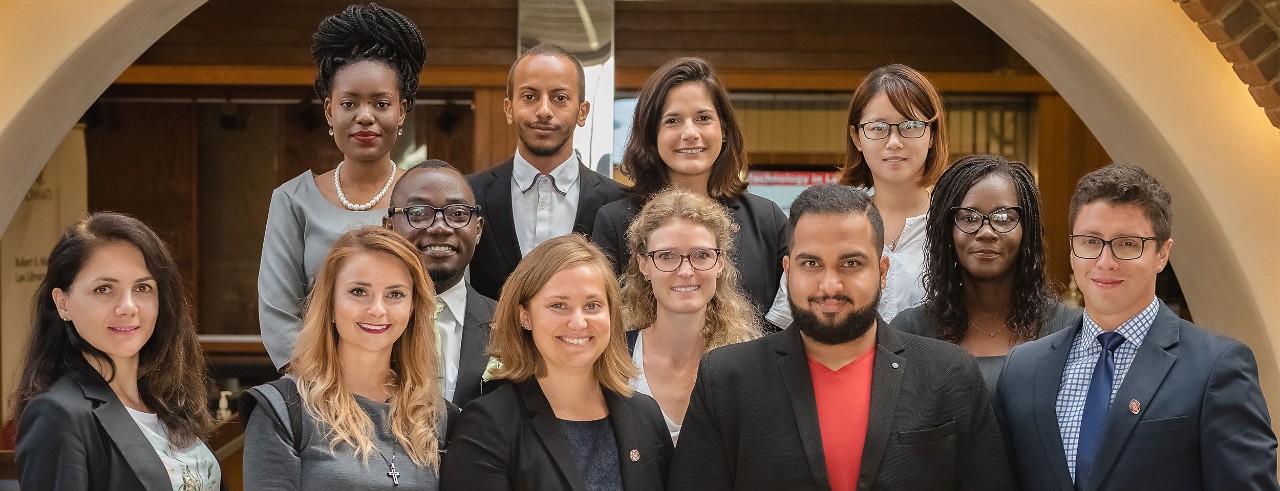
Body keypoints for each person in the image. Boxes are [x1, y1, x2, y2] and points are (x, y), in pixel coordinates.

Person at [670, 184, 1010, 491]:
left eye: (850, 263)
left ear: (882, 271)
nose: (829, 285)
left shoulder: (951, 375)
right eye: (812, 263)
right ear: (788, 271)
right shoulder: (727, 380)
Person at [995, 163, 1278, 490]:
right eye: (1090, 241)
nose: (1105, 261)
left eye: (1128, 244)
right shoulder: (1022, 369)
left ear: (1162, 254)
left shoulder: (1217, 367)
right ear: (1072, 249)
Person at [259, 3, 427, 368]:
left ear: (401, 110)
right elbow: (278, 314)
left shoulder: (424, 200)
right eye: (349, 103)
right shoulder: (292, 200)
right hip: (315, 394)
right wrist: (328, 392)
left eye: (380, 103)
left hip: (410, 389)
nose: (364, 116)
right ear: (329, 112)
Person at [441, 235, 673, 490]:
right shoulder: (488, 424)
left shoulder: (645, 414)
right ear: (525, 316)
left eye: (592, 305)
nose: (578, 322)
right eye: (559, 305)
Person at [14, 212, 219, 490]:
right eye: (103, 289)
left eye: (143, 287)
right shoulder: (58, 414)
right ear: (63, 303)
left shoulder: (170, 403)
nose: (128, 307)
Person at [243, 226, 452, 489]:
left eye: (395, 294)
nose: (377, 309)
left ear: (413, 308)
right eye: (358, 292)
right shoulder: (283, 410)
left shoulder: (438, 416)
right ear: (330, 303)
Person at [592, 57, 788, 315]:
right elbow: (599, 313)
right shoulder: (615, 221)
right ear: (652, 135)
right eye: (672, 121)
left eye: (703, 118)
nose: (690, 132)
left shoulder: (766, 220)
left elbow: (787, 315)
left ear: (724, 129)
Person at [766, 63, 948, 328]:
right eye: (878, 128)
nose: (894, 141)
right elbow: (786, 324)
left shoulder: (956, 227)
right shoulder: (829, 222)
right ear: (857, 137)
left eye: (910, 125)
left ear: (932, 134)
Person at [891, 154, 1077, 393]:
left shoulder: (1069, 330)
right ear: (946, 230)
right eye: (969, 218)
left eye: (1003, 218)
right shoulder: (910, 332)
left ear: (1026, 230)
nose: (986, 232)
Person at [467, 44, 626, 300]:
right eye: (529, 97)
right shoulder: (468, 195)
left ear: (582, 112)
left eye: (559, 98)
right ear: (509, 109)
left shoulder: (621, 202)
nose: (544, 111)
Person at [619, 187, 760, 443]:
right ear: (644, 265)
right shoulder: (614, 360)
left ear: (720, 263)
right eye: (667, 256)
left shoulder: (750, 366)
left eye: (701, 255)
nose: (685, 270)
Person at [383, 159, 497, 408]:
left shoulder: (508, 326)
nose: (439, 227)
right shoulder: (365, 321)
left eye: (457, 214)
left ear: (477, 230)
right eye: (419, 214)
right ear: (389, 228)